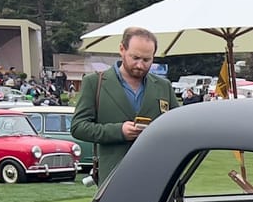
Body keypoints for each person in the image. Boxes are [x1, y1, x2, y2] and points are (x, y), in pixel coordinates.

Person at [71, 26, 177, 183]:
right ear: (122, 49)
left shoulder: (163, 86)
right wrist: (118, 131)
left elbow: (177, 127)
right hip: (113, 178)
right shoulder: (95, 83)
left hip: (156, 176)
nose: (140, 65)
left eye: (147, 60)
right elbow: (78, 127)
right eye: (135, 58)